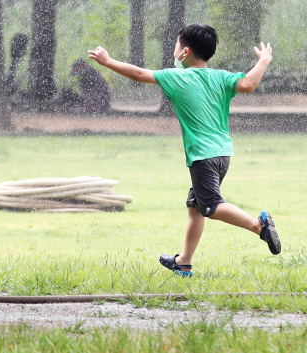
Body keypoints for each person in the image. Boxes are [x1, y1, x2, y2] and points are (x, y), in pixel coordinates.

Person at [87, 23, 280, 277]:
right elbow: (249, 83)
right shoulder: (221, 77)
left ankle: (259, 226)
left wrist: (108, 61)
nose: (174, 50)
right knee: (196, 206)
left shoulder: (176, 77)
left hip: (202, 156)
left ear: (185, 51)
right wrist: (264, 60)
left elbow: (137, 74)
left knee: (210, 207)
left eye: (177, 46)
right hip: (223, 153)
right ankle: (183, 261)